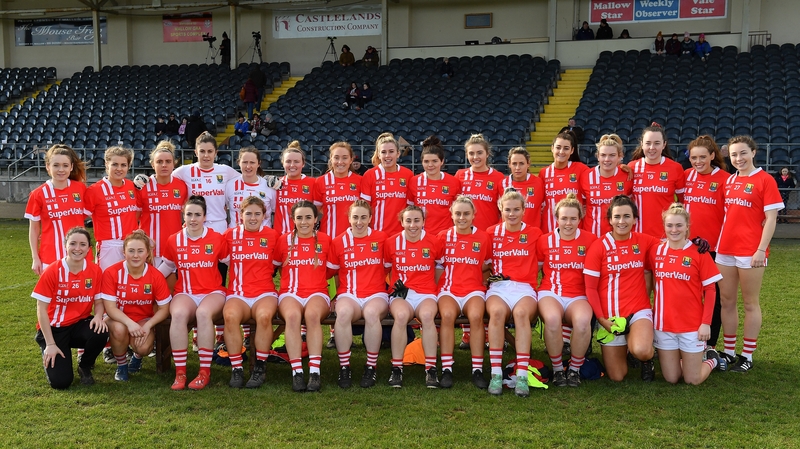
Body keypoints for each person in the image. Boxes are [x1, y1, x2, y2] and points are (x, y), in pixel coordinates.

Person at [716, 135, 784, 372]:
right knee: (727, 301)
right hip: (725, 248)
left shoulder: (765, 180)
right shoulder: (730, 181)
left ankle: (747, 355)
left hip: (751, 250)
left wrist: (760, 249)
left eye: (743, 153)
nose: (738, 158)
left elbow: (771, 219)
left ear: (754, 153)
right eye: (734, 154)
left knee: (750, 303)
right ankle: (729, 350)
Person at [583, 195, 660, 382]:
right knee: (617, 376)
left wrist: (695, 245)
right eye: (617, 217)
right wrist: (601, 319)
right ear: (610, 220)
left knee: (641, 350)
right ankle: (628, 345)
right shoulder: (599, 246)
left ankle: (646, 359)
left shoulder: (644, 241)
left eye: (627, 216)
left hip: (637, 311)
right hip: (610, 317)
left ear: (635, 219)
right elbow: (590, 288)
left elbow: (671, 247)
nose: (622, 221)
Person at [651, 203, 726, 384]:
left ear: (687, 227)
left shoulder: (699, 253)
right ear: (664, 226)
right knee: (672, 378)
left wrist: (706, 323)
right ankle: (688, 359)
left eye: (679, 225)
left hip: (692, 326)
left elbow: (710, 290)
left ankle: (712, 359)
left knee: (693, 379)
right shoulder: (655, 250)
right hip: (663, 325)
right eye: (669, 225)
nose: (674, 230)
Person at [161, 196, 229, 390]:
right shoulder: (174, 239)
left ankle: (204, 372)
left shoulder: (216, 238)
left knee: (203, 314)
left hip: (212, 292)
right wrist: (148, 280)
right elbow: (167, 266)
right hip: (186, 292)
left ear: (205, 217)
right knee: (179, 314)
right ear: (183, 215)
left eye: (197, 214)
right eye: (189, 214)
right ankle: (180, 373)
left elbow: (232, 263)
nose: (193, 218)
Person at [32, 227, 107, 389]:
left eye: (82, 244)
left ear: (89, 248)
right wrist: (51, 344)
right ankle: (49, 347)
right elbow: (41, 309)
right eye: (73, 243)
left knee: (101, 331)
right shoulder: (52, 271)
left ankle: (85, 366)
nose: (77, 248)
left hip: (78, 325)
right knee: (61, 383)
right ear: (65, 245)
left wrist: (98, 316)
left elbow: (99, 301)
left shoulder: (95, 270)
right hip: (54, 329)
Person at [485, 189, 543, 397]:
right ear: (500, 209)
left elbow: (546, 262)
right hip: (498, 288)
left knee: (520, 314)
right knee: (497, 314)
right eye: (507, 209)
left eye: (516, 209)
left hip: (524, 288)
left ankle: (522, 376)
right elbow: (482, 264)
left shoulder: (535, 233)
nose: (511, 214)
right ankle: (496, 374)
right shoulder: (491, 233)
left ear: (523, 210)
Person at [536, 193, 596, 387]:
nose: (568, 223)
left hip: (578, 294)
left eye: (573, 218)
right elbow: (532, 269)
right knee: (552, 320)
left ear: (580, 218)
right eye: (564, 218)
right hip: (550, 291)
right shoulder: (544, 240)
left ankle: (574, 370)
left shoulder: (591, 240)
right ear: (556, 218)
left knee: (583, 322)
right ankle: (557, 370)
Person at [327, 200, 389, 389]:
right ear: (349, 218)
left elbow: (394, 267)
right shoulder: (339, 241)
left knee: (371, 314)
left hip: (376, 293)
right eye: (355, 217)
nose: (359, 222)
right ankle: (344, 367)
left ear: (370, 218)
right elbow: (328, 273)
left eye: (363, 217)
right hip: (349, 294)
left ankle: (371, 366)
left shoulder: (382, 238)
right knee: (343, 313)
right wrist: (328, 296)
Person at [273, 201, 332, 392]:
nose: (304, 222)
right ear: (293, 219)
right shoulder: (283, 240)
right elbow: (272, 267)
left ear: (316, 219)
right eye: (299, 217)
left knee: (313, 316)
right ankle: (296, 372)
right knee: (292, 317)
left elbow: (331, 270)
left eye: (308, 217)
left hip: (317, 291)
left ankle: (314, 372)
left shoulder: (325, 240)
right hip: (290, 292)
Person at [221, 196, 279, 388]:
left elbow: (280, 262)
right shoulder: (229, 235)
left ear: (264, 216)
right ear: (240, 215)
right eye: (248, 213)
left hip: (264, 292)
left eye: (257, 214)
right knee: (229, 316)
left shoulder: (273, 236)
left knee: (264, 317)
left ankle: (259, 367)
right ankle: (236, 368)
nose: (252, 218)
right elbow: (219, 258)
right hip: (238, 292)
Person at [384, 205, 444, 389]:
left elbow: (439, 269)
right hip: (402, 294)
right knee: (401, 317)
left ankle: (431, 369)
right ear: (401, 222)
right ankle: (396, 368)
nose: (412, 225)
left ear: (424, 222)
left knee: (427, 317)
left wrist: (428, 287)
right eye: (408, 220)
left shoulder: (434, 242)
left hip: (426, 293)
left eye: (417, 220)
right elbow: (386, 269)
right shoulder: (391, 242)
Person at [436, 196, 492, 389]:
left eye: (466, 213)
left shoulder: (483, 237)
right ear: (451, 215)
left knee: (476, 316)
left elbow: (488, 264)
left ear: (473, 215)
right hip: (449, 290)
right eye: (458, 213)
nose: (462, 217)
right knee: (448, 316)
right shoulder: (443, 236)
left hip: (473, 289)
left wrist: (478, 275)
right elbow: (437, 267)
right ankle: (447, 369)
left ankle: (477, 369)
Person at [101, 230, 172, 381]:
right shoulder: (111, 273)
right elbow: (110, 308)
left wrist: (148, 325)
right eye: (131, 251)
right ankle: (122, 366)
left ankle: (137, 357)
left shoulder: (156, 276)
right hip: (118, 318)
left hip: (143, 320)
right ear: (124, 252)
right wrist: (129, 324)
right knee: (119, 330)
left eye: (140, 251)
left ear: (147, 253)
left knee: (144, 347)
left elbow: (164, 309)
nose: (135, 255)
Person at [683, 136, 729, 348]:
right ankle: (687, 340)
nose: (698, 161)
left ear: (712, 156)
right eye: (694, 157)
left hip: (714, 250)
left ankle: (710, 345)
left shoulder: (725, 179)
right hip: (688, 248)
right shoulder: (685, 176)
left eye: (703, 157)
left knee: (715, 299)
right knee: (689, 296)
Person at [26, 144, 87, 276]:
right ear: (48, 167)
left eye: (65, 165)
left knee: (81, 295)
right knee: (50, 296)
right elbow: (34, 229)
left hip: (80, 254)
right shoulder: (38, 194)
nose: (61, 169)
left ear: (71, 167)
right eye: (56, 165)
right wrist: (35, 258)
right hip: (50, 255)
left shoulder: (81, 189)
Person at [135, 141, 188, 287]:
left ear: (174, 164)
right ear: (152, 164)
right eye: (159, 162)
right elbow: (134, 219)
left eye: (168, 161)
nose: (164, 165)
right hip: (150, 250)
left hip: (174, 249)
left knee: (170, 293)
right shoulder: (143, 186)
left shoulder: (182, 186)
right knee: (148, 291)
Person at [173, 132, 240, 234]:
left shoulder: (225, 170)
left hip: (219, 225)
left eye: (210, 151)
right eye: (202, 151)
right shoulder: (184, 171)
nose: (206, 155)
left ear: (215, 153)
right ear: (196, 153)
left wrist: (268, 178)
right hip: (196, 225)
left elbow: (248, 179)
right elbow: (163, 179)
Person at [85, 146, 140, 271]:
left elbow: (135, 213)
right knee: (106, 285)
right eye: (115, 164)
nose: (119, 169)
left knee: (129, 284)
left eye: (123, 165)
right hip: (108, 246)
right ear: (106, 164)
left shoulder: (131, 186)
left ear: (128, 166)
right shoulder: (94, 190)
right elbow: (79, 217)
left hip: (132, 245)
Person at [630, 123, 685, 238]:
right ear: (642, 144)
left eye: (657, 143)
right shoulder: (632, 167)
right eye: (648, 143)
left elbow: (683, 202)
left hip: (666, 235)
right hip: (637, 235)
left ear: (664, 145)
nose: (652, 148)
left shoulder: (675, 168)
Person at [580, 134, 633, 237]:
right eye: (603, 155)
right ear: (598, 156)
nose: (607, 159)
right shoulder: (585, 176)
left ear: (619, 156)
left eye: (612, 155)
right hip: (592, 237)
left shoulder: (627, 176)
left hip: (618, 238)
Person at [361, 132, 413, 236]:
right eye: (383, 152)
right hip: (376, 235)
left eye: (391, 151)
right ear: (379, 155)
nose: (387, 156)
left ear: (398, 153)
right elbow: (364, 209)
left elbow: (410, 208)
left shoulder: (408, 175)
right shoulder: (369, 175)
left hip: (401, 235)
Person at [409, 136, 461, 235]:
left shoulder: (454, 182)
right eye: (426, 161)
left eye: (434, 161)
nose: (430, 165)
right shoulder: (414, 181)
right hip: (421, 235)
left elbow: (457, 212)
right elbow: (409, 211)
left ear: (442, 161)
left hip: (446, 236)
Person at [539, 132, 588, 233]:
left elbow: (601, 174)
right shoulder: (544, 173)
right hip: (549, 229)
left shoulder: (580, 169)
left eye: (566, 148)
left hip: (574, 230)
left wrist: (621, 167)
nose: (561, 151)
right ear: (552, 148)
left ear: (572, 150)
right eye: (558, 147)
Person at [456, 134, 505, 231]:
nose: (475, 157)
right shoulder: (459, 175)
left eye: (479, 153)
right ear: (466, 155)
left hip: (489, 233)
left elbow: (505, 208)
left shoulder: (499, 177)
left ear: (487, 154)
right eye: (471, 153)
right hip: (465, 234)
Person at [313, 141, 362, 239]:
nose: (340, 162)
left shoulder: (360, 181)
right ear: (331, 159)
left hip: (354, 238)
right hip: (328, 237)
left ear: (351, 160)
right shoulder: (320, 182)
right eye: (336, 158)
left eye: (345, 158)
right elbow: (316, 212)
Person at [225, 146, 276, 229]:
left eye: (252, 162)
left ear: (258, 164)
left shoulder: (269, 186)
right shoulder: (230, 185)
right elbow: (223, 208)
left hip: (263, 238)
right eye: (245, 162)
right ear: (239, 163)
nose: (248, 166)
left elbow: (275, 211)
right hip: (236, 238)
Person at [274, 141, 316, 236]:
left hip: (306, 237)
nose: (292, 165)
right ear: (282, 163)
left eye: (296, 162)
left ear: (303, 164)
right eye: (288, 161)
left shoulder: (313, 183)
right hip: (281, 237)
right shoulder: (276, 184)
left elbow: (319, 209)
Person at [501, 147, 545, 230]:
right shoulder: (502, 184)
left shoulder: (539, 183)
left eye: (521, 163)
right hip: (509, 234)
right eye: (514, 164)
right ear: (509, 164)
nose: (517, 167)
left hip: (532, 234)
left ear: (528, 164)